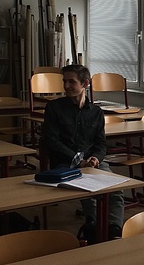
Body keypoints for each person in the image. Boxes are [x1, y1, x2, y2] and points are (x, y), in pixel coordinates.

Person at [42, 64, 124, 242]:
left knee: (116, 190)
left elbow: (101, 144)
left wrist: (96, 158)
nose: (66, 86)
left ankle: (114, 231)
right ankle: (92, 226)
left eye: (71, 82)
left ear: (85, 83)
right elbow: (52, 142)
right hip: (65, 163)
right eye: (64, 81)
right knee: (88, 188)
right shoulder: (54, 108)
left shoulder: (96, 112)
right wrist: (78, 160)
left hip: (91, 162)